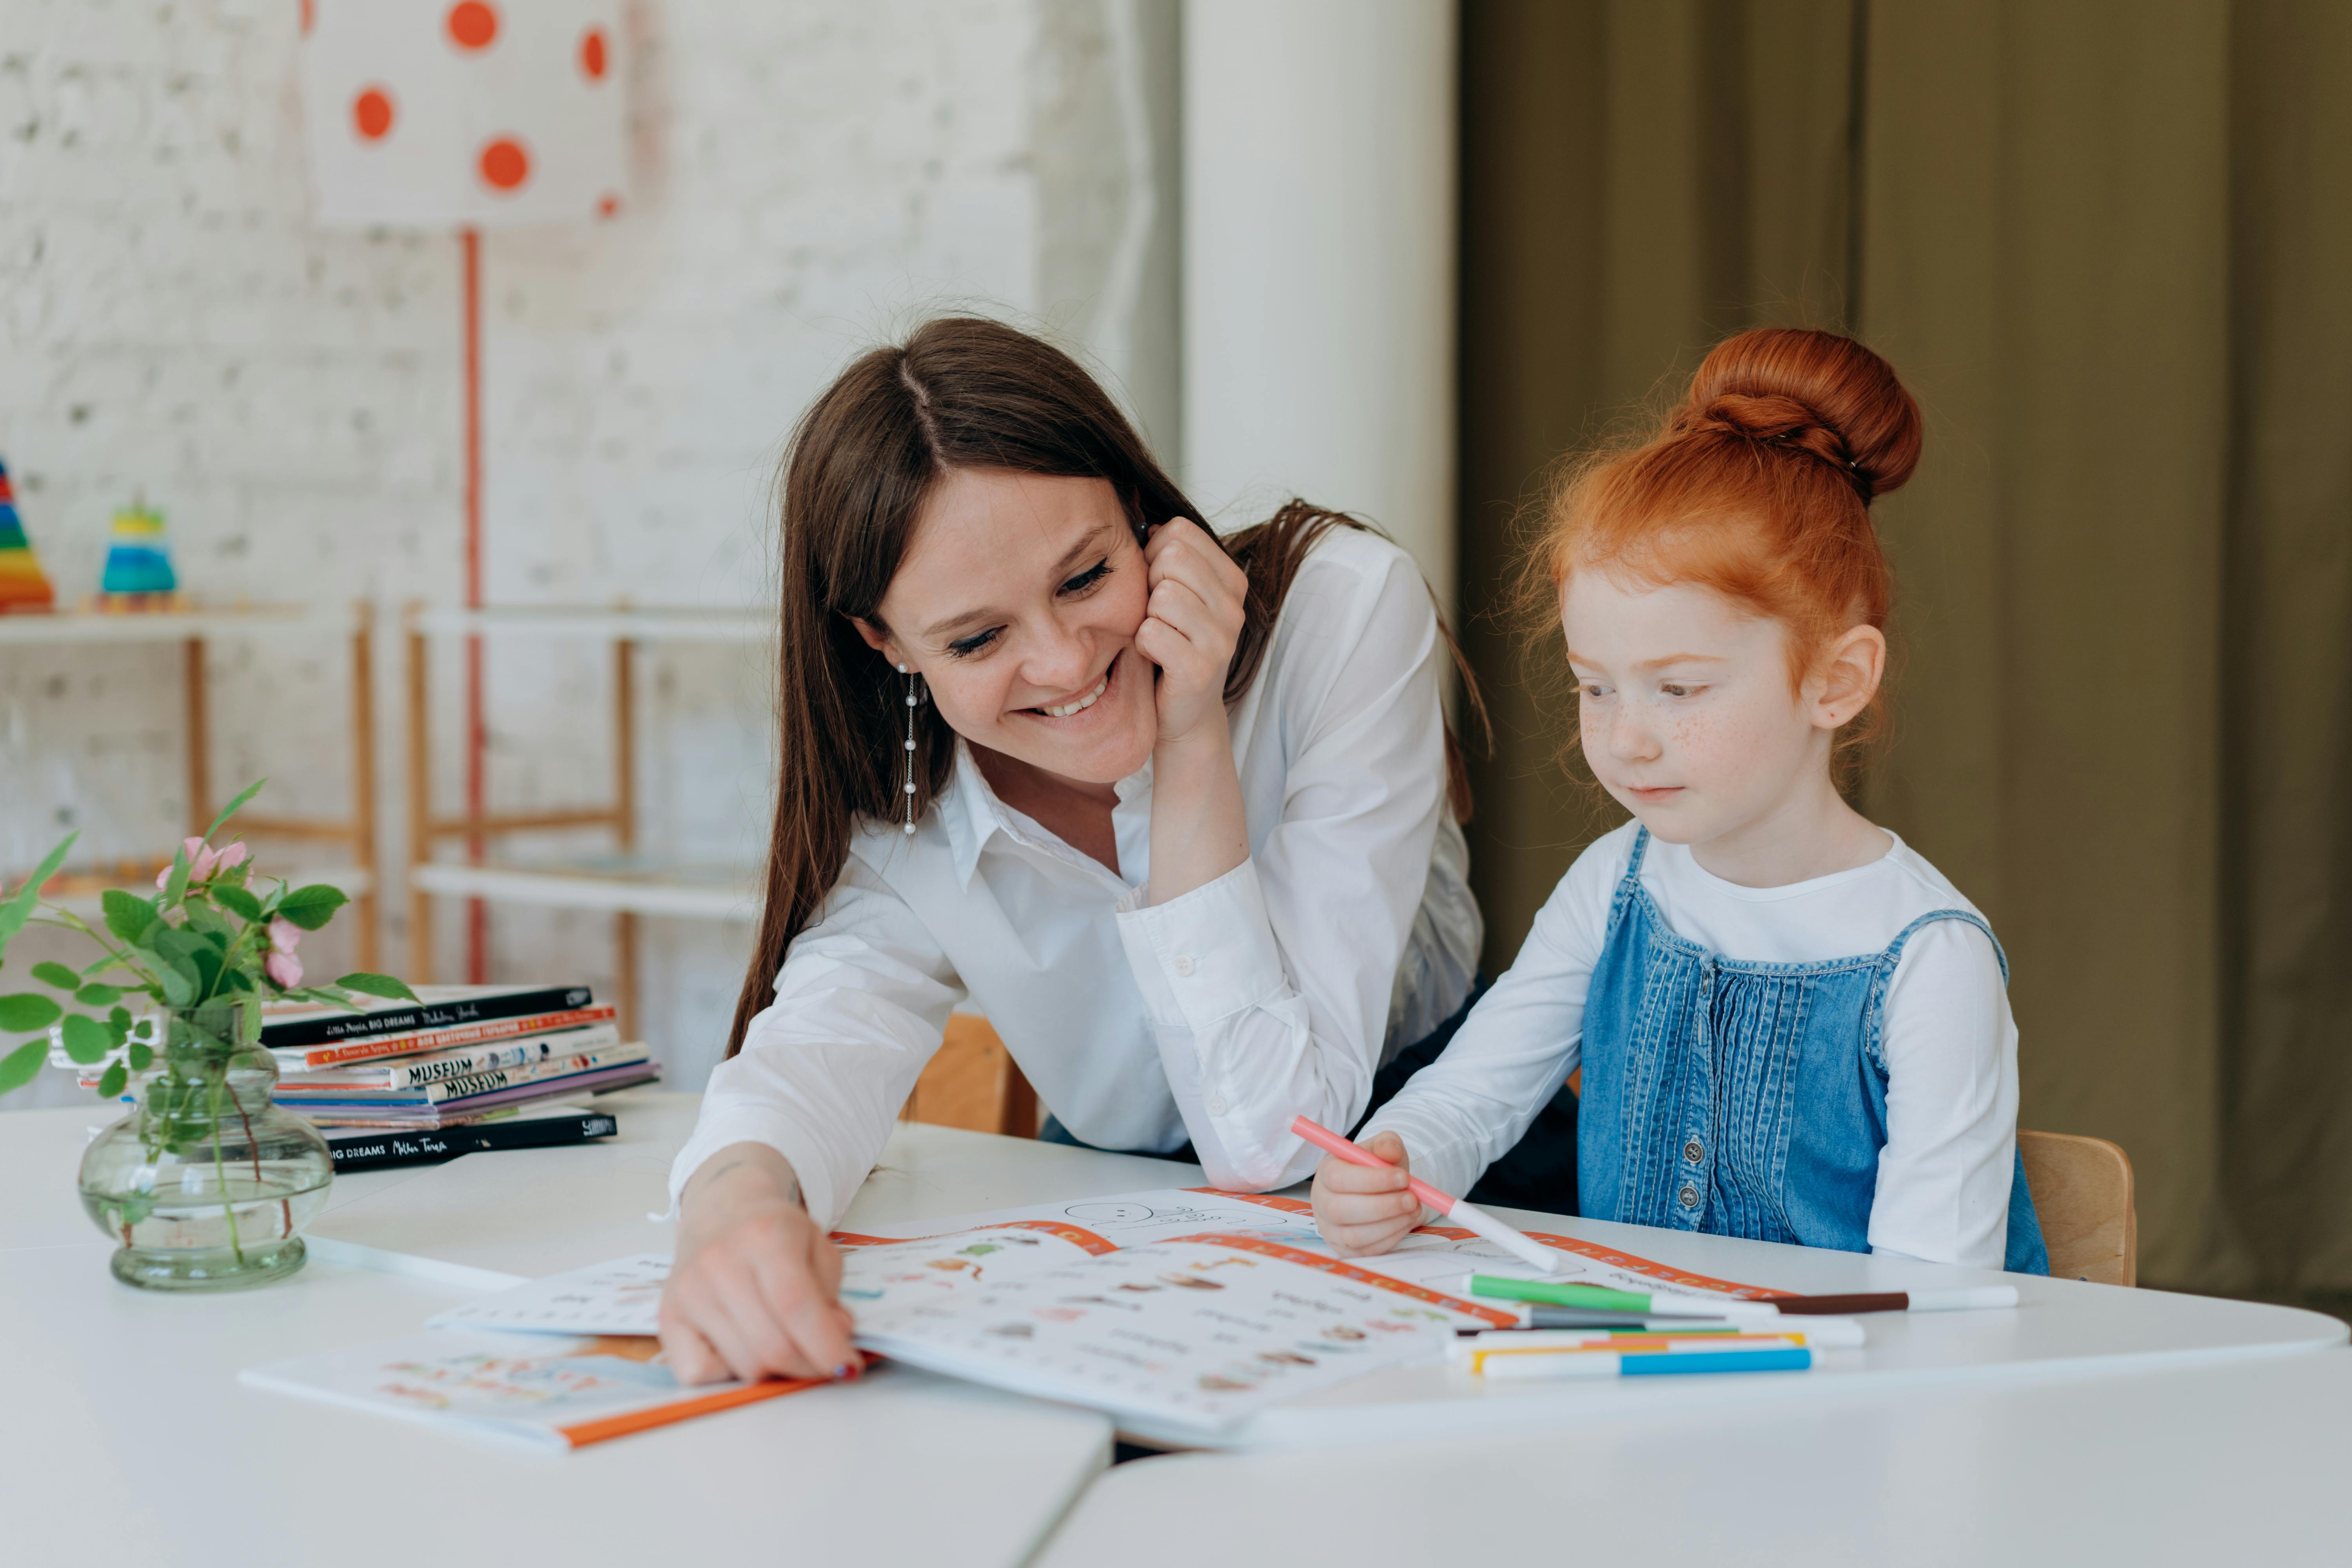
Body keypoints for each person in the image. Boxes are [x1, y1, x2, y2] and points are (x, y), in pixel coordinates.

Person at [659, 317, 1485, 1383]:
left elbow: (1277, 1142)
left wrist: (1190, 740)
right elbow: (817, 1049)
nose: (1061, 661)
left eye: (1087, 577)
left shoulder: (1340, 611)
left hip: (1430, 1183)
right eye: (975, 640)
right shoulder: (904, 811)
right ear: (886, 645)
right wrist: (730, 1215)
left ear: (1140, 511)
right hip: (1125, 1239)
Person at [1312, 327, 2050, 1276]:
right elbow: (1472, 1097)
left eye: (1681, 689)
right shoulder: (1614, 883)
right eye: (1596, 685)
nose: (1627, 738)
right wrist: (1393, 1161)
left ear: (1836, 679)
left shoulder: (1931, 960)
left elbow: (1925, 1299)